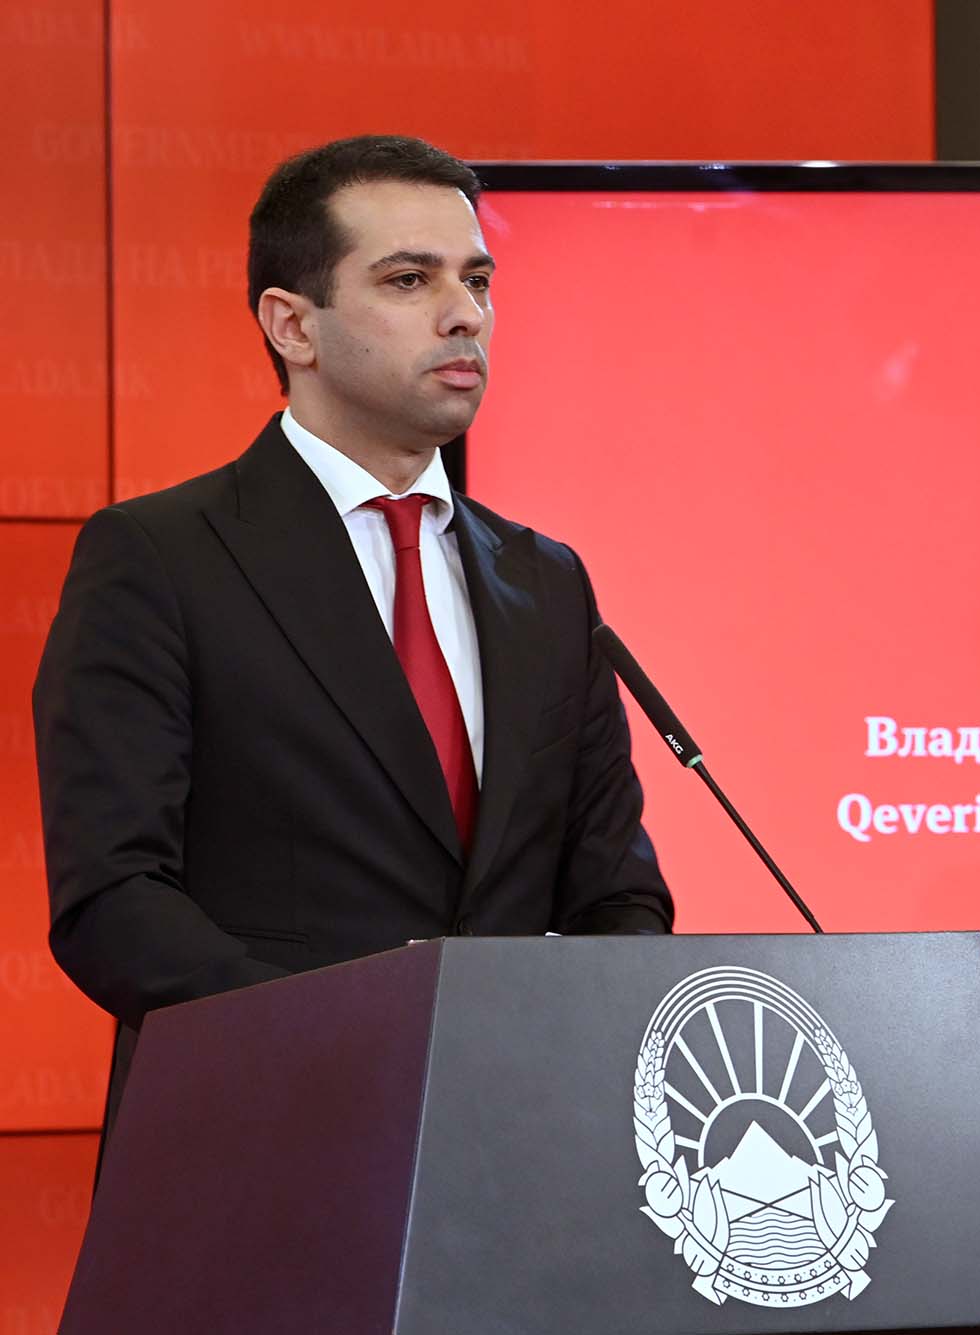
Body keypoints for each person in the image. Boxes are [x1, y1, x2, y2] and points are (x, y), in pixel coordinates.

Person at [33, 135, 672, 1130]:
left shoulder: (546, 582)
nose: (464, 314)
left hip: (515, 1148)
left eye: (476, 281)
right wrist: (353, 1053)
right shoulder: (160, 558)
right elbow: (114, 901)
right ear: (293, 325)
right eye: (410, 280)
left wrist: (568, 1043)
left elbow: (617, 896)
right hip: (262, 1144)